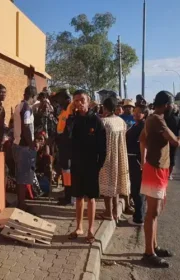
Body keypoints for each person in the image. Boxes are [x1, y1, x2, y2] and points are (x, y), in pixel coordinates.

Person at [139, 91, 180, 268]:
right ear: (166, 104)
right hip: (155, 169)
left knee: (156, 212)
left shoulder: (155, 119)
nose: (174, 108)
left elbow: (142, 139)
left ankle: (153, 246)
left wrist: (143, 159)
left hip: (158, 168)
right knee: (152, 212)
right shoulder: (156, 119)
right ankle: (148, 253)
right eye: (172, 104)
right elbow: (176, 142)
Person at [68, 90, 106, 244]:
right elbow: (66, 137)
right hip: (76, 164)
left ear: (88, 101)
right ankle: (79, 227)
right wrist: (70, 115)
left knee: (90, 198)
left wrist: (99, 165)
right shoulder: (73, 120)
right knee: (78, 197)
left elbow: (103, 147)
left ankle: (90, 229)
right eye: (76, 100)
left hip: (91, 165)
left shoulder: (96, 121)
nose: (79, 103)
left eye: (81, 100)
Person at [98, 97, 130, 223]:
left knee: (107, 183)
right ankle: (116, 212)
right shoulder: (121, 121)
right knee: (115, 184)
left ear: (105, 108)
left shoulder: (103, 122)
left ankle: (108, 212)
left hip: (108, 155)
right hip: (120, 155)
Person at [12, 85, 38, 210]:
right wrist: (32, 144)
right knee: (23, 176)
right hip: (23, 147)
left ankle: (21, 201)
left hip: (17, 144)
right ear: (33, 96)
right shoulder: (27, 108)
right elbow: (26, 127)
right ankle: (21, 204)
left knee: (20, 175)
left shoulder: (19, 106)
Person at [126, 104, 148, 226]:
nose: (135, 113)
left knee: (137, 189)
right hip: (133, 159)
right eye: (135, 111)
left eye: (139, 112)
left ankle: (139, 218)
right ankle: (139, 214)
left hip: (137, 160)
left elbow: (143, 145)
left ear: (144, 114)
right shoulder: (137, 125)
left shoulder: (143, 126)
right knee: (136, 188)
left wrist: (143, 162)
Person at [55, 89, 74, 205]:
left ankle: (70, 197)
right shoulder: (64, 110)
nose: (58, 101)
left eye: (60, 99)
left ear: (66, 99)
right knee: (65, 172)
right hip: (63, 146)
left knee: (68, 172)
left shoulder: (71, 109)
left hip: (68, 147)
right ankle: (67, 194)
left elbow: (69, 130)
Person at [164, 105, 180, 180]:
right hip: (174, 141)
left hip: (164, 140)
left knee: (164, 157)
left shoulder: (164, 118)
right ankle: (169, 174)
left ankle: (164, 173)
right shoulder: (178, 119)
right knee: (172, 157)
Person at [0, 84, 7, 152]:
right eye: (1, 92)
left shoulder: (2, 108)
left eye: (5, 92)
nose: (3, 94)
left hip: (0, 138)